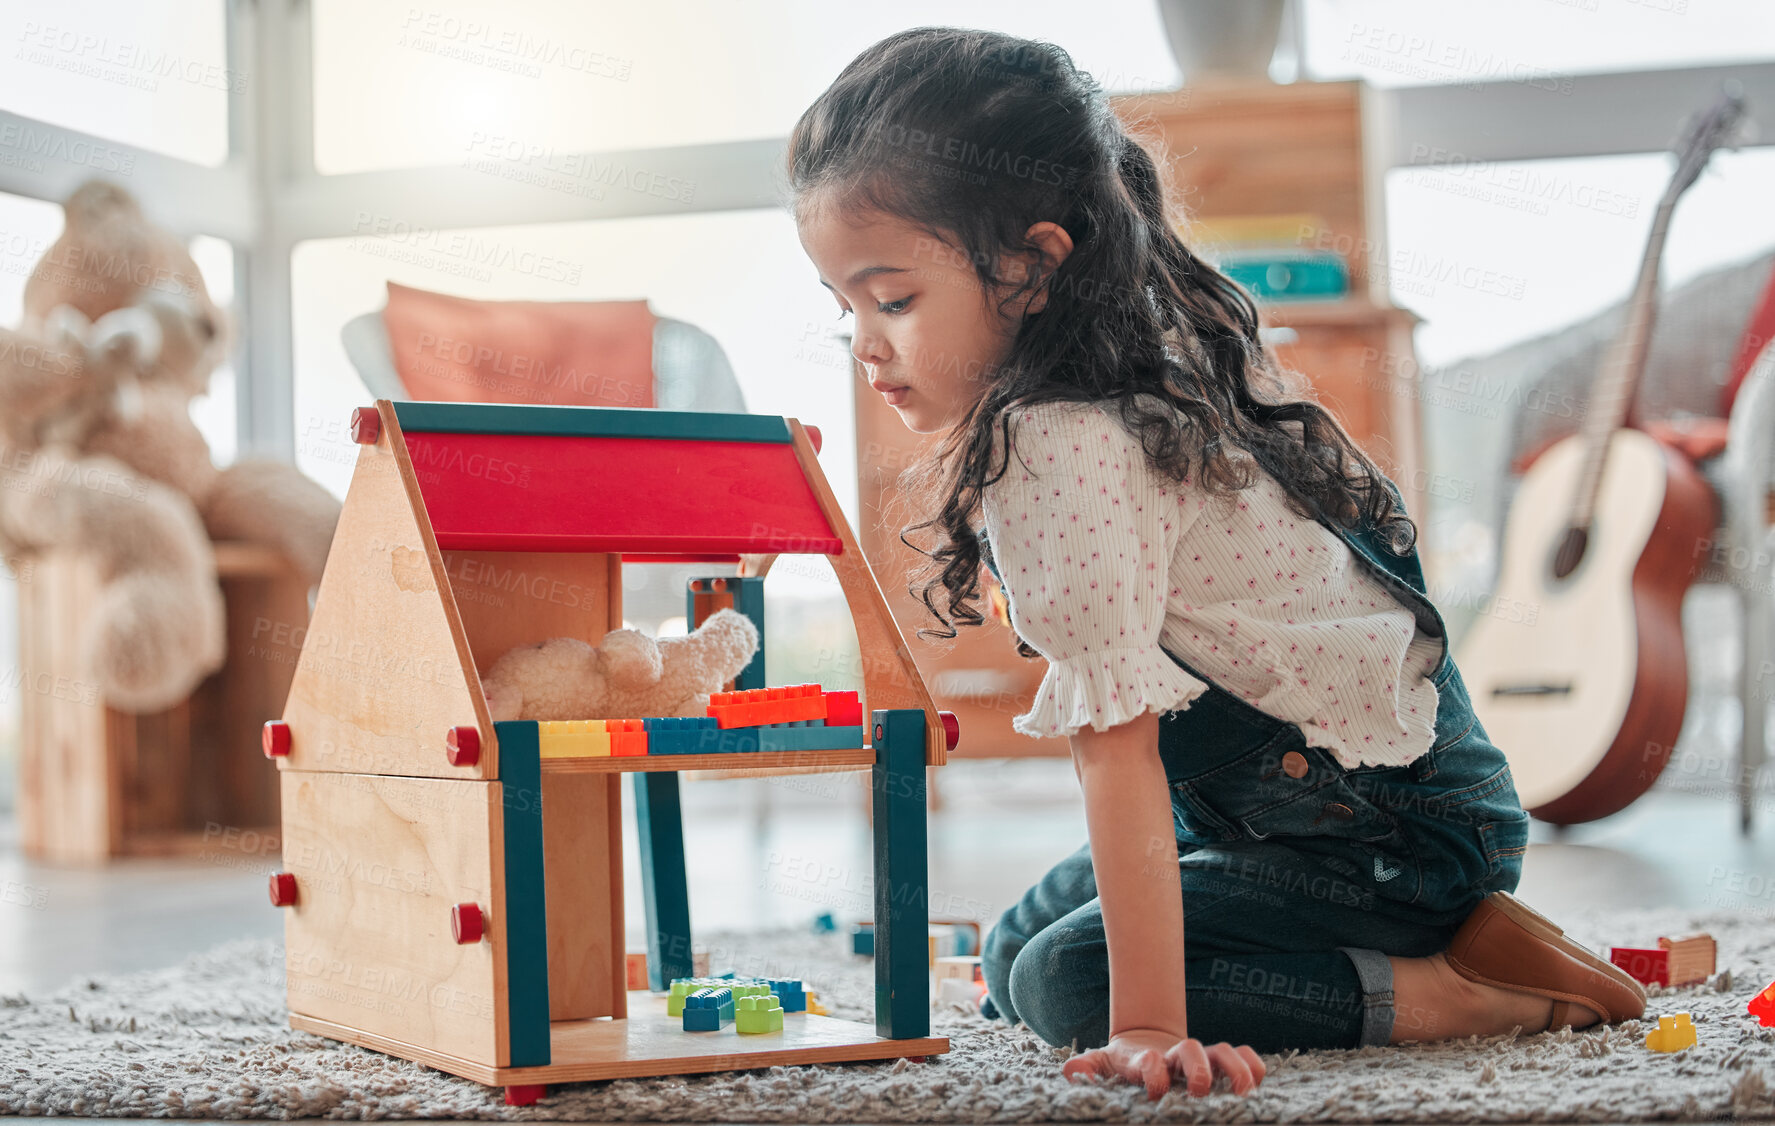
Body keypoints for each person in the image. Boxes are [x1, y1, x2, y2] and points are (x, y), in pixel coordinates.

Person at [787, 26, 1647, 1102]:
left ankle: (1457, 990)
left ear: (1034, 263)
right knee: (1012, 952)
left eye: (894, 299)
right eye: (844, 309)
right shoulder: (1139, 347)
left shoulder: (1056, 447)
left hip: (1376, 836)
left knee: (1068, 980)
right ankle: (1439, 937)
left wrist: (1148, 1022)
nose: (864, 345)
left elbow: (1118, 755)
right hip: (1353, 807)